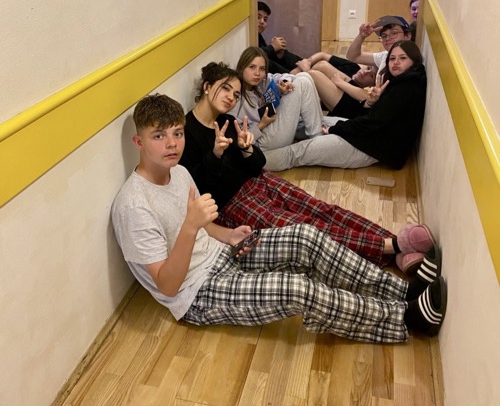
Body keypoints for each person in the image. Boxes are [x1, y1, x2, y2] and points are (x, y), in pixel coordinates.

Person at [111, 93, 447, 342]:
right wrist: (190, 227)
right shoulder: (133, 206)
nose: (172, 144)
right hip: (197, 292)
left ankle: (402, 291)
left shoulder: (180, 173)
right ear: (139, 141)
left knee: (306, 237)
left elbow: (206, 226)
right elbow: (167, 285)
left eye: (177, 133)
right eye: (159, 136)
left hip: (222, 253)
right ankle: (405, 318)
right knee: (296, 289)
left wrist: (228, 235)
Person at [180, 61, 434, 274]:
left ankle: (392, 241)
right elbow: (198, 189)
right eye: (225, 88)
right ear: (207, 87)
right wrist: (215, 155)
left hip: (260, 180)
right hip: (232, 204)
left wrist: (247, 149)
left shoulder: (227, 121)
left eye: (236, 94)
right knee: (306, 229)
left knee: (322, 209)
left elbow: (257, 165)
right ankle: (391, 247)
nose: (230, 97)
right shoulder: (186, 134)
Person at [263, 41, 426, 175]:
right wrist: (371, 103)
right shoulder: (403, 81)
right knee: (308, 123)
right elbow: (372, 117)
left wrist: (336, 129)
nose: (396, 62)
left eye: (402, 58)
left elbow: (371, 122)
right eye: (392, 58)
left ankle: (254, 160)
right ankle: (274, 141)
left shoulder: (407, 87)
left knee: (296, 153)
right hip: (366, 136)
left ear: (414, 60)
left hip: (368, 147)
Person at [229, 46, 323, 153]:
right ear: (242, 68)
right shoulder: (236, 97)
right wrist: (261, 125)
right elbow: (240, 139)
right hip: (260, 141)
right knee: (302, 82)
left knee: (304, 76)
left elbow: (279, 77)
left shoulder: (261, 81)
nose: (257, 73)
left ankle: (319, 132)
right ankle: (318, 140)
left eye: (262, 69)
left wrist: (285, 83)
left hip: (272, 126)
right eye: (252, 67)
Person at [346, 16, 412, 76]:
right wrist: (362, 36)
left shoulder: (411, 59)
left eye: (394, 33)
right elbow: (353, 57)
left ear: (407, 36)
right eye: (384, 36)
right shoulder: (385, 56)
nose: (387, 38)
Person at [258, 1, 302, 73]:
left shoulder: (259, 36)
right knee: (266, 61)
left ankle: (304, 63)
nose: (262, 22)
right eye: (258, 17)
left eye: (265, 19)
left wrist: (277, 51)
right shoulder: (248, 36)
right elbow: (256, 57)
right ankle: (293, 73)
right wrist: (272, 47)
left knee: (284, 54)